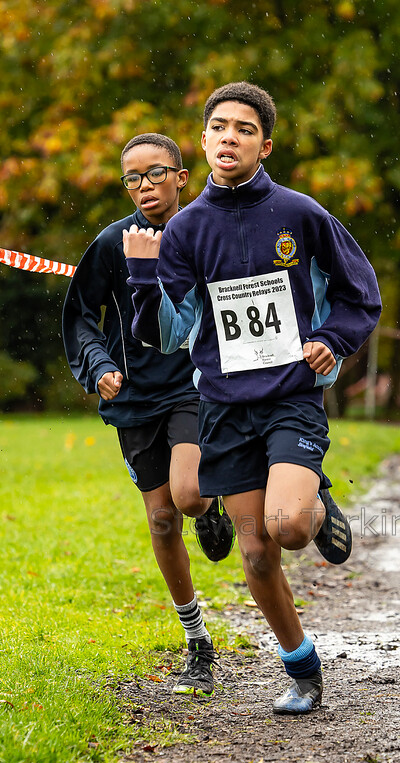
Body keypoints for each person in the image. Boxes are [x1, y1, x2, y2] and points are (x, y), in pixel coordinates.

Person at [123, 82, 382, 715]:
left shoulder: (301, 214)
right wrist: (141, 275)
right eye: (218, 127)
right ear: (204, 140)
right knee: (258, 553)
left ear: (265, 144)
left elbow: (360, 293)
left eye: (244, 128)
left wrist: (331, 338)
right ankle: (301, 666)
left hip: (291, 398)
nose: (229, 137)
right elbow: (170, 333)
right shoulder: (183, 231)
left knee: (287, 527)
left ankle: (314, 503)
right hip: (224, 408)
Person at [62, 133, 235, 698]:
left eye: (154, 173)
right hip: (135, 397)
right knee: (162, 519)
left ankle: (209, 508)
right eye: (131, 178)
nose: (143, 187)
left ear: (182, 177)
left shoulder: (208, 232)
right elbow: (83, 316)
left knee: (187, 496)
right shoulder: (113, 243)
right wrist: (98, 365)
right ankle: (197, 639)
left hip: (193, 384)